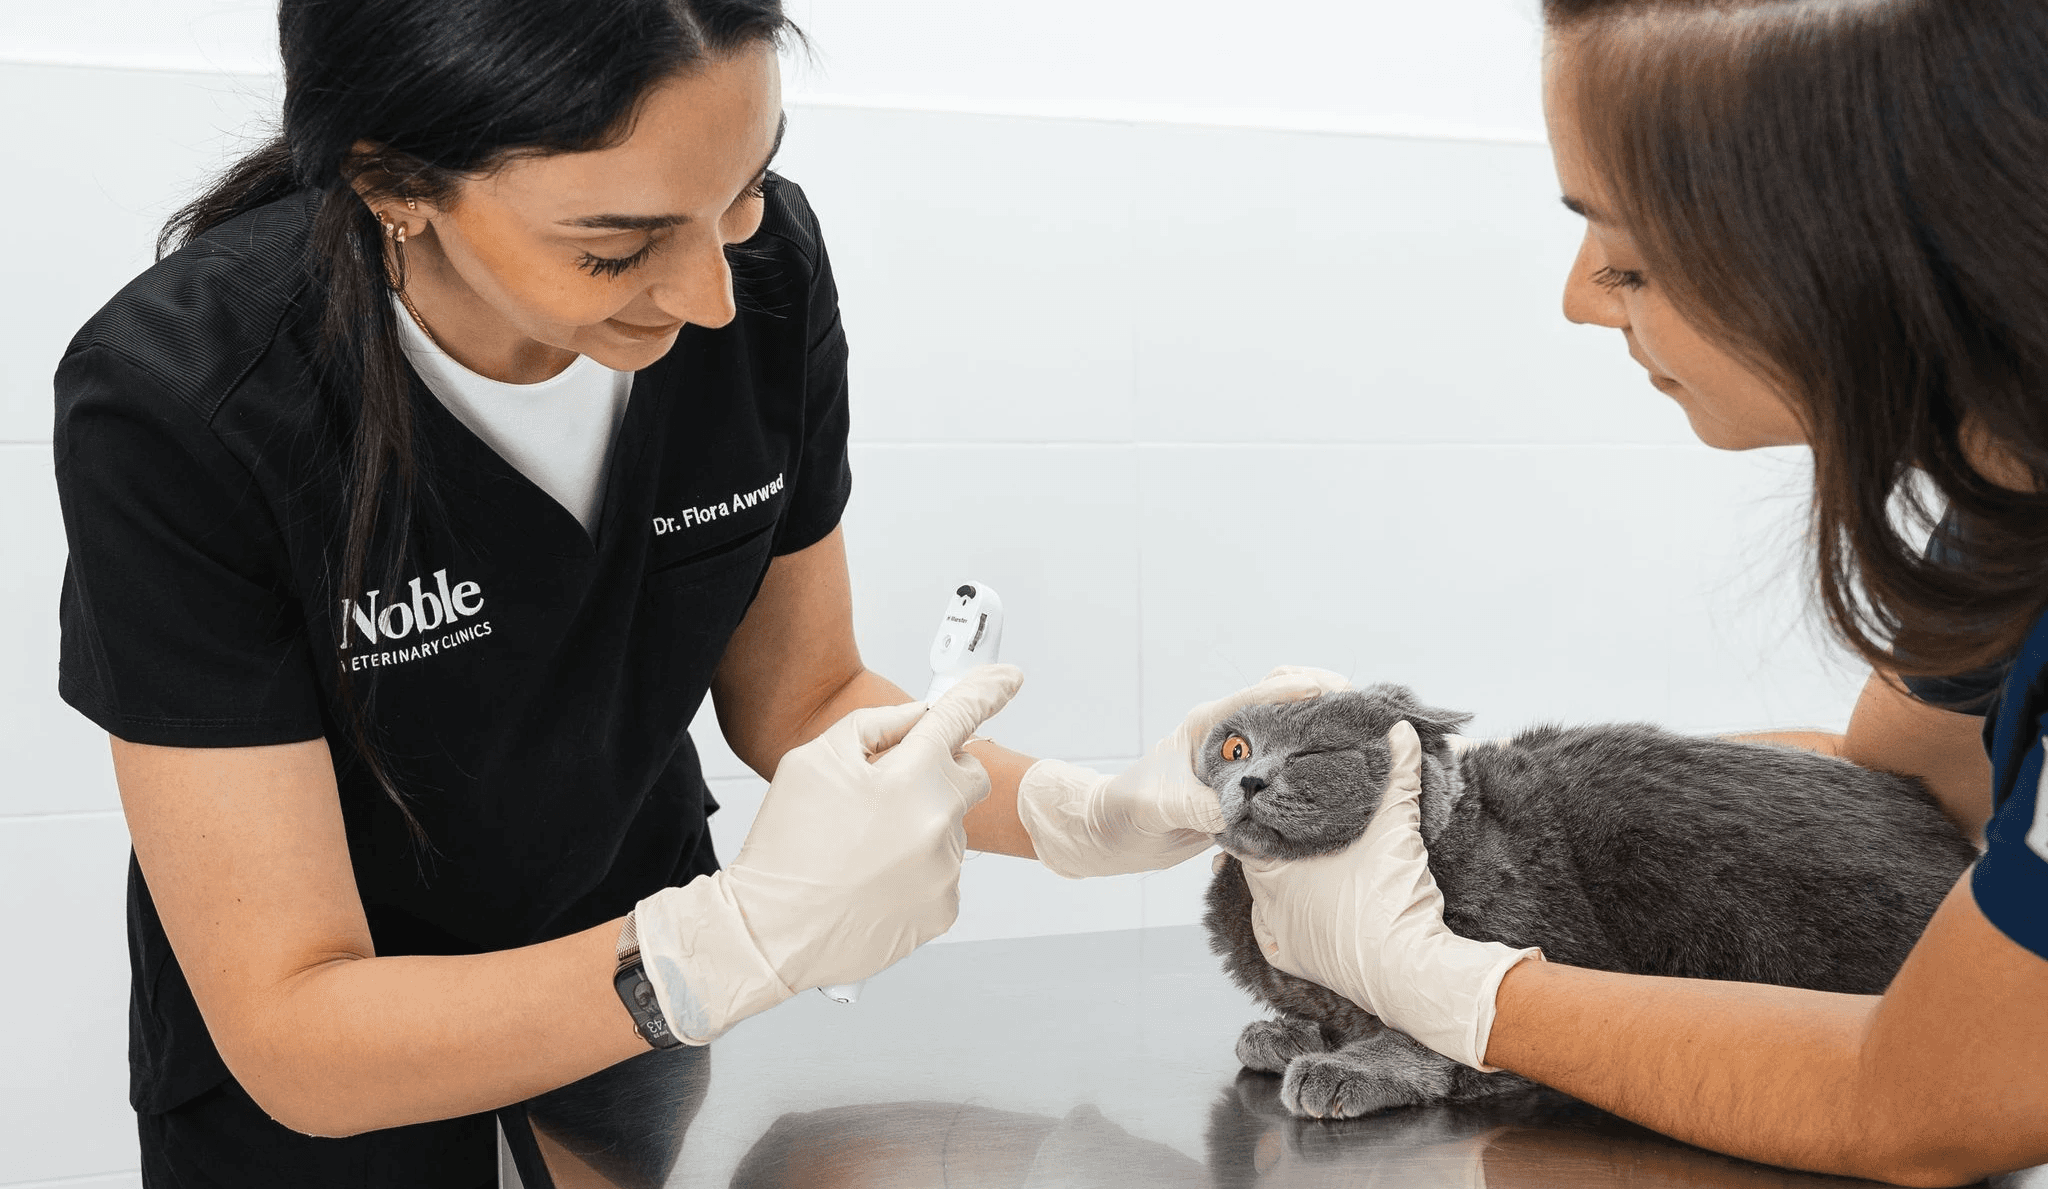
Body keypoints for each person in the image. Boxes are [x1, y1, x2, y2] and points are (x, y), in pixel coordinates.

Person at [52, 2, 1339, 1183]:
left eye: (744, 189)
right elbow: (297, 1024)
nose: (711, 296)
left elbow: (802, 695)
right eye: (616, 247)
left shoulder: (761, 270)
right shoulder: (186, 401)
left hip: (628, 1019)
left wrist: (1079, 812)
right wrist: (716, 947)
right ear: (393, 183)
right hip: (349, 1064)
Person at [1239, 2, 2048, 1185]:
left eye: (1626, 257)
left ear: (1861, 249)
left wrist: (1438, 978)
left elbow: (1930, 1100)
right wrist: (1452, 815)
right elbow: (1900, 781)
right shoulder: (2007, 519)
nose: (1578, 298)